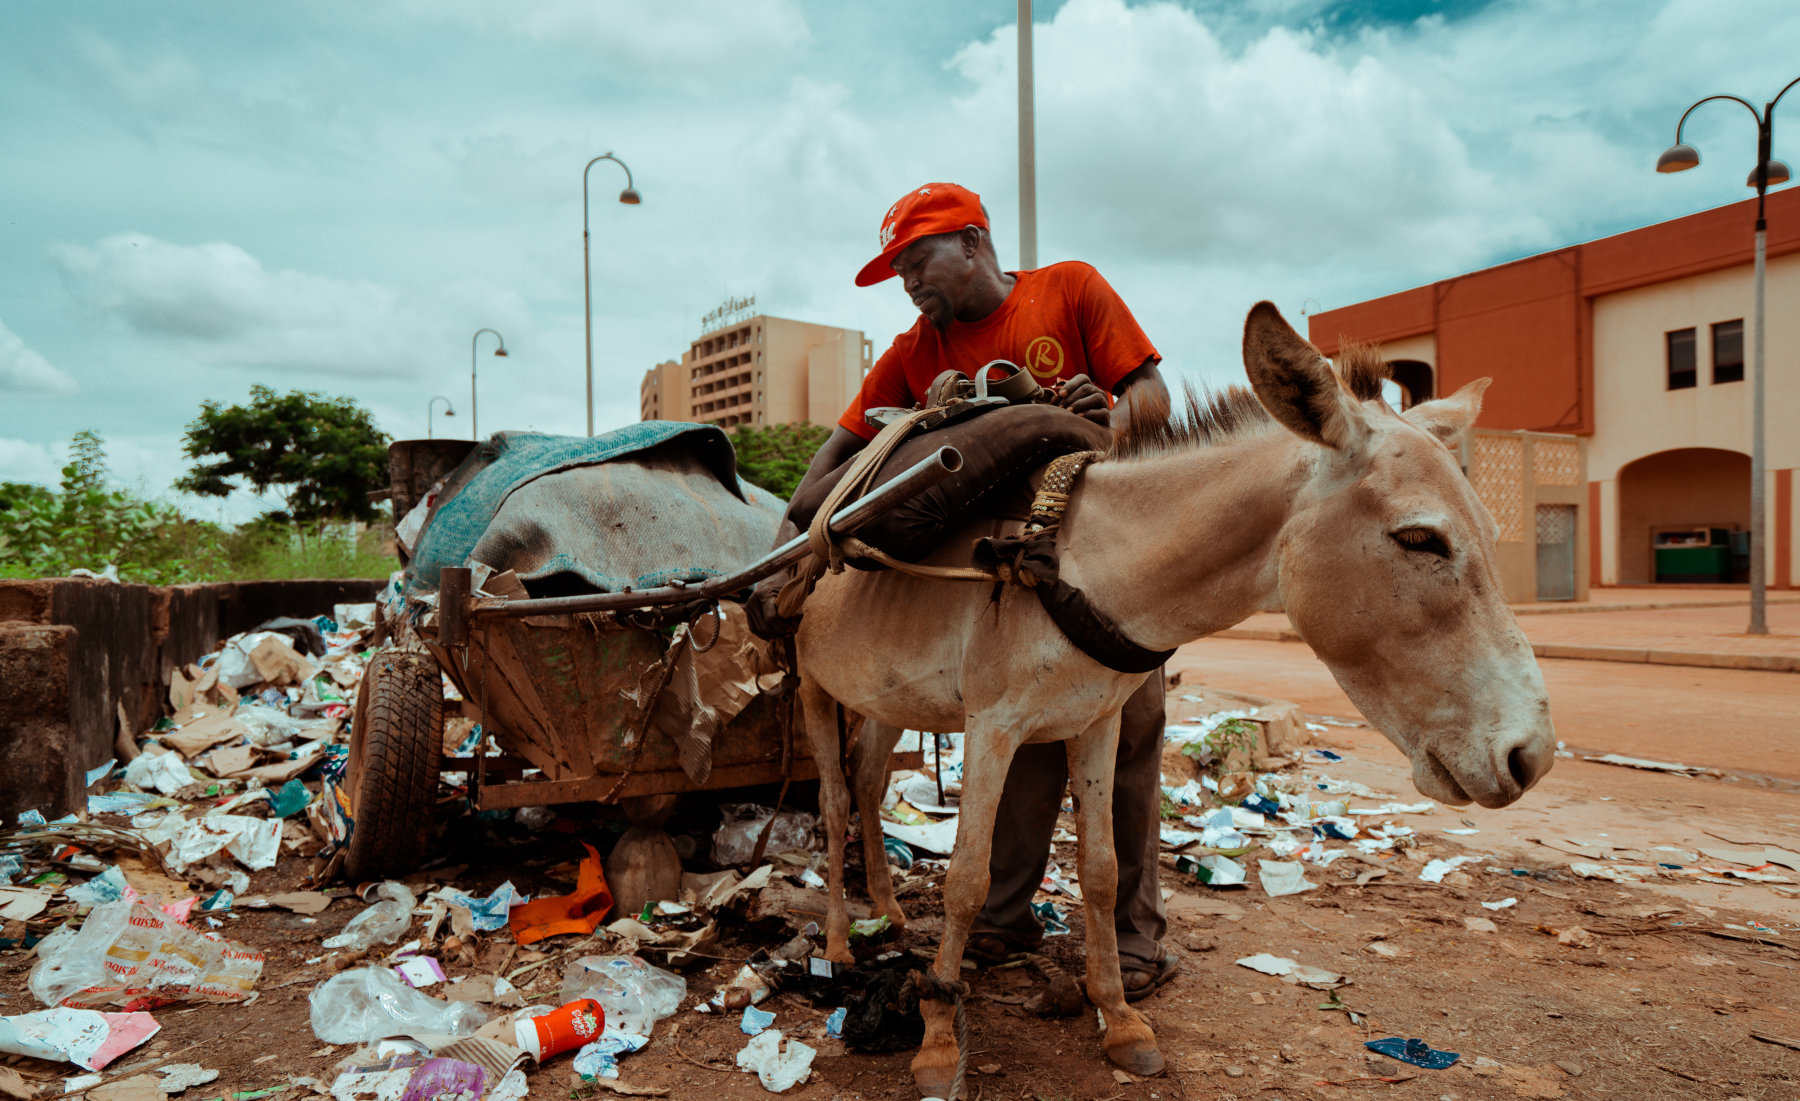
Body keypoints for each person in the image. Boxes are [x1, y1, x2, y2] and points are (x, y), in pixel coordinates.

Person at [754, 182, 1179, 1001]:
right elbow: (831, 463)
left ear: (975, 244)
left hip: (1107, 579)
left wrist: (1110, 418)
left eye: (919, 260)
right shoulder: (917, 350)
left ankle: (1134, 941)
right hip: (1004, 586)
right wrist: (784, 557)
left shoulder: (1070, 289)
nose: (910, 283)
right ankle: (1003, 918)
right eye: (899, 271)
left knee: (1127, 736)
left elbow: (1153, 396)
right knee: (1014, 742)